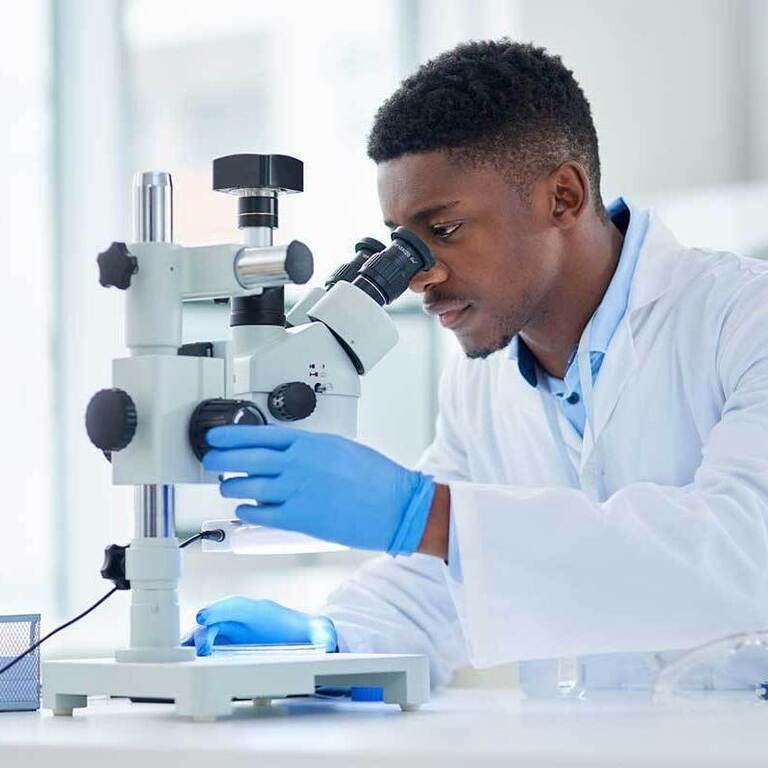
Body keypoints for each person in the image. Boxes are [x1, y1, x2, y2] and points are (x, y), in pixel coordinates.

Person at [184, 39, 768, 694]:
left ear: (563, 197)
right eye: (402, 242)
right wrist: (336, 639)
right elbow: (439, 582)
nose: (419, 276)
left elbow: (747, 551)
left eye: (444, 230)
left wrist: (424, 514)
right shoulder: (478, 381)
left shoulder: (746, 320)